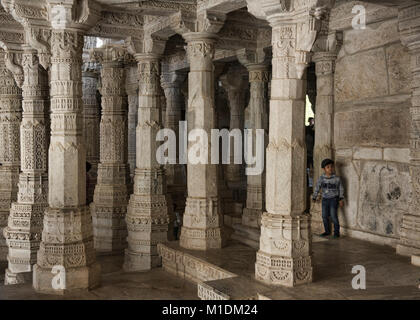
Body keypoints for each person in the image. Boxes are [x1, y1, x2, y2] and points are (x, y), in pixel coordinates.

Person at [312, 158, 344, 238]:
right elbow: (317, 187)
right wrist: (314, 197)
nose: (330, 168)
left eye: (331, 167)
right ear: (324, 169)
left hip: (334, 199)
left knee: (333, 216)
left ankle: (336, 233)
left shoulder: (336, 179)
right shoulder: (321, 179)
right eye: (328, 167)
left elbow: (341, 189)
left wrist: (341, 199)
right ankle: (327, 231)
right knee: (324, 215)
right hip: (325, 199)